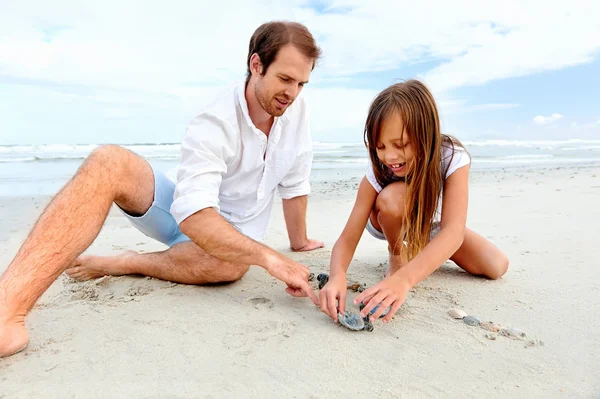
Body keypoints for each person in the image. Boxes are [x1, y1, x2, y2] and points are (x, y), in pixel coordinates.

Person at [0, 20, 325, 358]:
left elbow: (295, 180)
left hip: (229, 246)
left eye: (302, 83)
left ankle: (127, 263)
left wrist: (298, 241)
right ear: (256, 65)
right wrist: (270, 258)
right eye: (285, 79)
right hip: (180, 213)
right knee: (108, 161)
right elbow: (195, 217)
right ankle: (6, 309)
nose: (292, 92)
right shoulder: (215, 121)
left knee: (230, 265)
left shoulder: (297, 111)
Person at [319, 80, 509, 323]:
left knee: (496, 266)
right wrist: (337, 276)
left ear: (426, 133)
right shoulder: (377, 172)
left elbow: (453, 231)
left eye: (400, 145)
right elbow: (347, 238)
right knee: (392, 198)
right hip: (388, 216)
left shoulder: (452, 158)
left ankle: (421, 251)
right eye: (380, 146)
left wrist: (406, 279)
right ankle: (398, 254)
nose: (389, 156)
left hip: (427, 221)